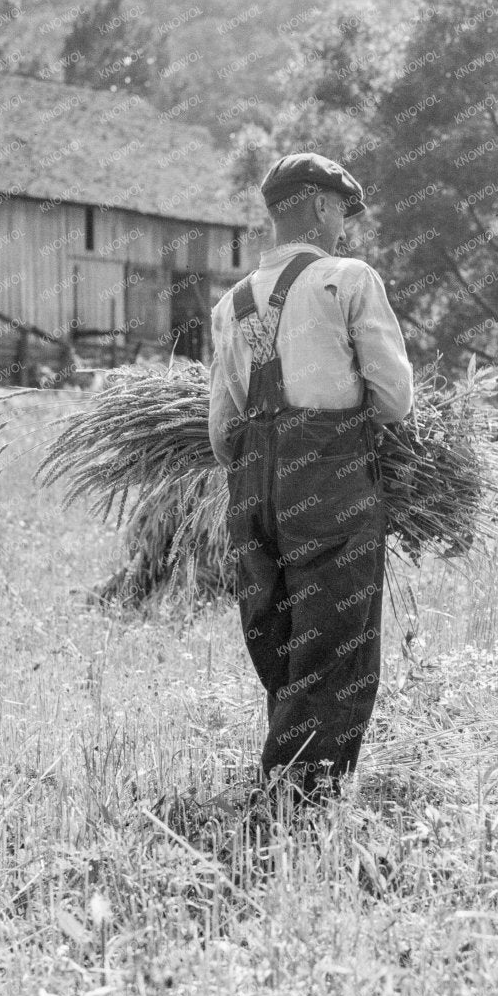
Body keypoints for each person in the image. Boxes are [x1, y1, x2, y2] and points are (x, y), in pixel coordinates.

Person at [207, 153, 414, 802]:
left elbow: (221, 433)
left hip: (253, 496)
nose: (344, 229)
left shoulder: (230, 305)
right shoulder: (347, 279)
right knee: (336, 652)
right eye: (342, 214)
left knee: (281, 641)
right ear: (322, 206)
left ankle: (288, 787)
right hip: (329, 486)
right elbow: (395, 398)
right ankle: (297, 804)